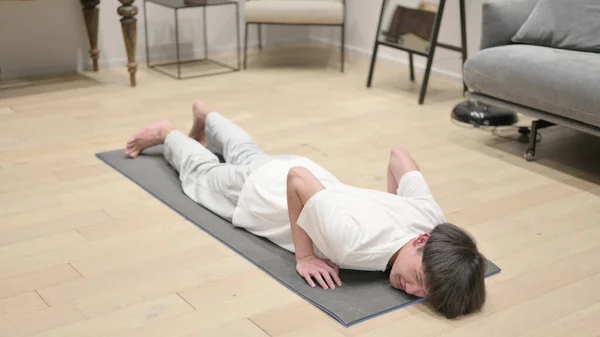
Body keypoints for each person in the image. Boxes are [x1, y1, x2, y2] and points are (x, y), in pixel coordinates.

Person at [125, 100, 487, 319]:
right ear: (421, 242)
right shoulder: (353, 243)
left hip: (303, 170)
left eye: (424, 295)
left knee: (249, 154)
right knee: (202, 175)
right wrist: (305, 256)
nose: (410, 290)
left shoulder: (433, 221)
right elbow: (296, 181)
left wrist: (390, 203)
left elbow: (399, 157)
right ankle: (166, 133)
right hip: (262, 193)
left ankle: (208, 116)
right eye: (419, 280)